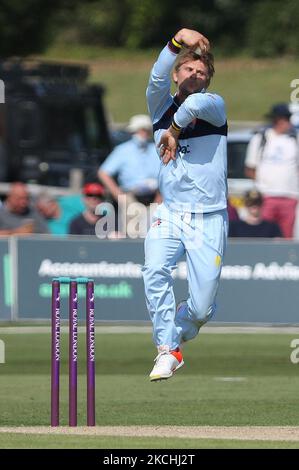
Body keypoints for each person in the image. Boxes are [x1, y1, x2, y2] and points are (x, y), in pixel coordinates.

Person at [142, 28, 228, 381]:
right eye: (188, 69)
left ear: (208, 79)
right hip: (171, 212)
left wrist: (174, 132)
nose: (195, 75)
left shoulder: (214, 106)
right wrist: (177, 41)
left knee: (202, 309)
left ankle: (183, 326)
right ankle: (167, 350)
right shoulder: (158, 104)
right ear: (177, 74)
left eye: (201, 72)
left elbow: (192, 105)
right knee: (154, 271)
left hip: (209, 217)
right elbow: (155, 77)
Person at [245, 103, 299, 238]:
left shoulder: (294, 139)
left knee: (286, 237)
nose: (286, 123)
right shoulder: (261, 138)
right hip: (266, 196)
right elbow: (250, 168)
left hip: (289, 196)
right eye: (283, 119)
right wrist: (262, 185)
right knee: (264, 234)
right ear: (276, 120)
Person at [98, 114, 161, 205]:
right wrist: (119, 196)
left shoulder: (156, 149)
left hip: (156, 198)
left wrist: (161, 195)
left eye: (145, 130)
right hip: (132, 199)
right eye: (138, 131)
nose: (142, 134)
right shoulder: (122, 150)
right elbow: (103, 173)